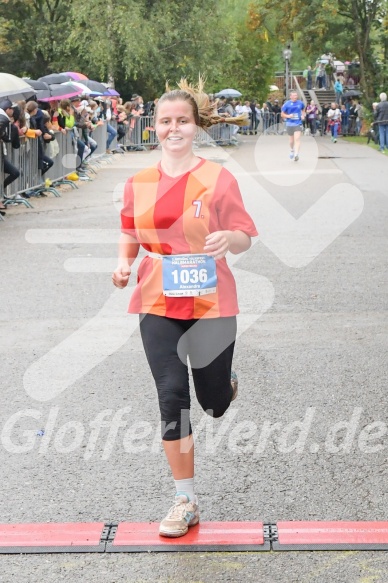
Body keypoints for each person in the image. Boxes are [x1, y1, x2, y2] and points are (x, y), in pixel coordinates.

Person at [112, 79, 257, 538]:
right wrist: (122, 263)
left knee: (211, 401)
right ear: (153, 127)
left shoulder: (218, 177)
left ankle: (223, 389)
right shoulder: (138, 182)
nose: (174, 128)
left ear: (196, 127)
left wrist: (227, 239)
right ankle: (185, 499)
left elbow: (244, 235)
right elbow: (129, 231)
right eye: (166, 122)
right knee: (172, 397)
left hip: (212, 301)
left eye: (183, 121)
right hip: (156, 299)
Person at [281, 90, 306, 161]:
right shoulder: (287, 104)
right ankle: (292, 150)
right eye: (294, 95)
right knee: (291, 141)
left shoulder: (300, 103)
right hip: (289, 123)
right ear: (290, 96)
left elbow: (303, 109)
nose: (295, 97)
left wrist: (303, 115)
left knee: (297, 139)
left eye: (296, 95)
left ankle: (296, 154)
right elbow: (282, 114)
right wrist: (288, 116)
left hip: (298, 123)